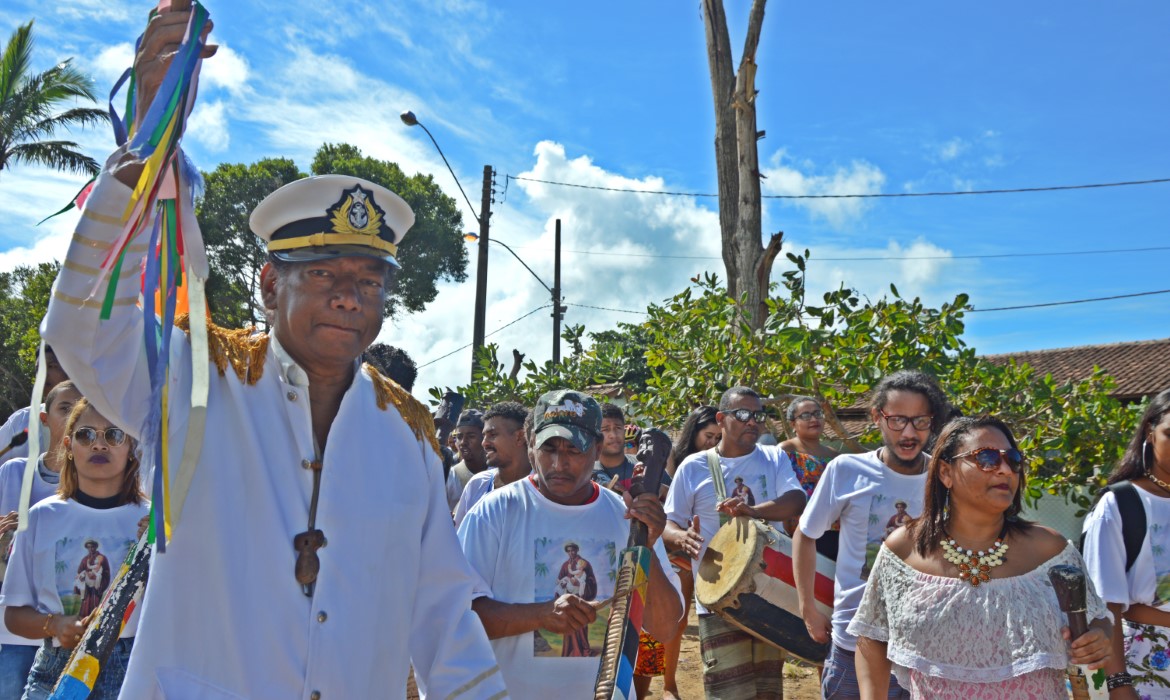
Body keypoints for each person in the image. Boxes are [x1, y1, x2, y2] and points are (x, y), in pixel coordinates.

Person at [38, 5, 506, 696]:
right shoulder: (195, 377)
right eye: (325, 276)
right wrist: (146, 147)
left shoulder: (406, 431)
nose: (351, 297)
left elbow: (438, 604)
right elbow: (82, 323)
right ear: (267, 282)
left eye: (369, 281)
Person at [850, 415, 1112, 699]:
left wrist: (1099, 638)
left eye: (1012, 459)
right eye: (986, 457)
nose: (1005, 470)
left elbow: (1097, 619)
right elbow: (873, 637)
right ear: (945, 473)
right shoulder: (905, 548)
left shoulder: (1050, 550)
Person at [458, 389, 682, 698]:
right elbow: (457, 616)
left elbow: (665, 628)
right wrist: (542, 615)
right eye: (549, 448)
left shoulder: (627, 518)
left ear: (597, 448)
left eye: (574, 450)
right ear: (530, 443)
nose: (559, 463)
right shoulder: (494, 513)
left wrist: (647, 550)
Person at [793, 369, 949, 699]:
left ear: (932, 421)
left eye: (920, 421)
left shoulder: (945, 478)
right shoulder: (846, 470)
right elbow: (806, 534)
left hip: (924, 650)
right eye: (897, 420)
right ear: (878, 417)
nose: (909, 432)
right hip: (854, 643)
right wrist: (808, 607)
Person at [663, 386, 806, 699]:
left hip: (771, 591)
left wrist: (753, 511)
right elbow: (667, 523)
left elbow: (796, 500)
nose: (752, 421)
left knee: (768, 690)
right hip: (717, 598)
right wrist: (681, 537)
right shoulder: (694, 466)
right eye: (742, 414)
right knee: (727, 690)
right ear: (721, 419)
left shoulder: (773, 457)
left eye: (758, 415)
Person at [1, 397, 149, 699]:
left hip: (131, 674)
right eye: (85, 435)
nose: (98, 444)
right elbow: (14, 616)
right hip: (53, 673)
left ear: (132, 447)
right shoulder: (40, 517)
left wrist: (161, 549)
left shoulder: (152, 522)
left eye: (114, 435)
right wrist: (54, 625)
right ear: (68, 445)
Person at [1083, 387, 1170, 698]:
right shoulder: (1121, 503)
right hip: (1148, 666)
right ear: (1149, 432)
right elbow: (1105, 606)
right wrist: (1118, 685)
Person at [0, 381, 83, 699]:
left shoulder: (99, 486)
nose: (74, 415)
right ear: (44, 420)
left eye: (81, 409)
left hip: (69, 638)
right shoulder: (12, 473)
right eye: (65, 408)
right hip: (12, 635)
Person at [661, 404, 720, 700]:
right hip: (678, 544)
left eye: (717, 437)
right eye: (708, 436)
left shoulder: (721, 460)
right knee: (679, 617)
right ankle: (669, 684)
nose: (712, 443)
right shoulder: (677, 459)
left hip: (711, 545)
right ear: (693, 432)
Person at [454, 402, 531, 526]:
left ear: (520, 436)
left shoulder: (544, 489)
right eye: (484, 436)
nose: (484, 443)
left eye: (492, 435)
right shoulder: (477, 484)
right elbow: (459, 540)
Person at [0, 347, 69, 462]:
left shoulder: (95, 418)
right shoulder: (20, 420)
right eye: (38, 368)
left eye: (51, 366)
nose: (42, 373)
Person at [446, 409, 488, 511]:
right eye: (459, 437)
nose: (463, 442)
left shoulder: (500, 472)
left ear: (484, 438)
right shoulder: (451, 476)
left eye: (471, 436)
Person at [593, 403, 639, 492]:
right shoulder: (586, 474)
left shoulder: (644, 466)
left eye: (618, 428)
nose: (613, 435)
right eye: (605, 429)